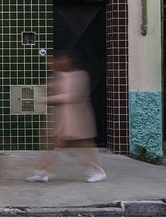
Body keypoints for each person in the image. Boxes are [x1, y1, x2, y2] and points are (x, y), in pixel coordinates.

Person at [27, 51, 107, 183]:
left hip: (76, 117)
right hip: (59, 118)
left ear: (69, 61)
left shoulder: (80, 75)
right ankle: (42, 172)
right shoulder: (57, 75)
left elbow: (72, 96)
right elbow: (50, 88)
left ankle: (98, 170)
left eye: (60, 60)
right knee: (48, 144)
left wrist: (46, 99)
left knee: (84, 144)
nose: (55, 63)